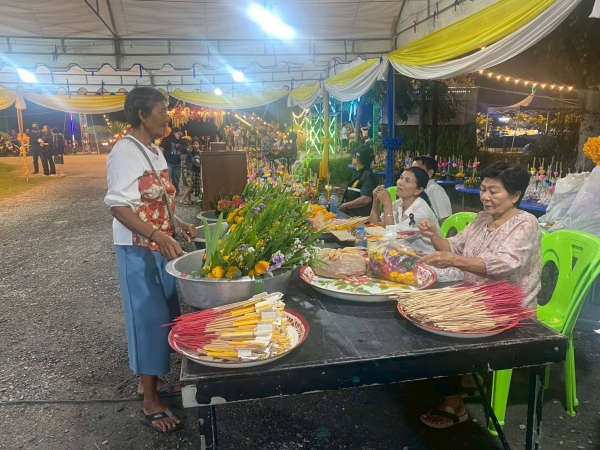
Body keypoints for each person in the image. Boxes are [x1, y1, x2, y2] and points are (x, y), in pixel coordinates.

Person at [417, 161, 542, 429]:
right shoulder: (482, 219)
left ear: (515, 195)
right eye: (483, 189)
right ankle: (466, 379)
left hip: (508, 306)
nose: (485, 196)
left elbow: (505, 264)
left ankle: (454, 402)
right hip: (474, 296)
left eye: (493, 191)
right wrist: (433, 236)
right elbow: (453, 247)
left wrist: (453, 261)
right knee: (423, 310)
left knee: (441, 330)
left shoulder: (525, 223)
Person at [104, 87, 198, 433]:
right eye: (161, 110)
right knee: (148, 317)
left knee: (166, 313)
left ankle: (151, 383)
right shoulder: (124, 152)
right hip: (138, 248)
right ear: (142, 115)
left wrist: (178, 223)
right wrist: (157, 235)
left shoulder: (155, 151)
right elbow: (118, 206)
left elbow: (159, 200)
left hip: (161, 245)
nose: (167, 117)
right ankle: (150, 403)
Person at [370, 167, 439, 254]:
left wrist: (387, 204)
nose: (400, 182)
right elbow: (375, 227)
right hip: (402, 254)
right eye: (401, 178)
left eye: (407, 181)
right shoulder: (397, 204)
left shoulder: (421, 213)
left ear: (418, 190)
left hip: (425, 257)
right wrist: (376, 201)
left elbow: (390, 237)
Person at [337, 145, 377, 217]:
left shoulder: (367, 176)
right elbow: (358, 193)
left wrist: (345, 205)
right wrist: (344, 192)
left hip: (361, 218)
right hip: (353, 216)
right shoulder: (359, 173)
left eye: (353, 157)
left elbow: (366, 198)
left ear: (356, 159)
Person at [412, 156, 452, 223]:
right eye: (411, 169)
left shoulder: (435, 191)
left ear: (430, 173)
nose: (411, 173)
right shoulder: (418, 188)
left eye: (417, 170)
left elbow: (445, 220)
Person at [160, 127, 184, 196]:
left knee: (176, 178)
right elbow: (161, 149)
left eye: (180, 134)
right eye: (178, 134)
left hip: (177, 163)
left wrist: (182, 156)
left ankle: (175, 190)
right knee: (167, 178)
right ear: (174, 133)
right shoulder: (166, 140)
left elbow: (182, 150)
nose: (179, 135)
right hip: (168, 162)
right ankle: (167, 191)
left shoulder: (180, 141)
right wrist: (162, 160)